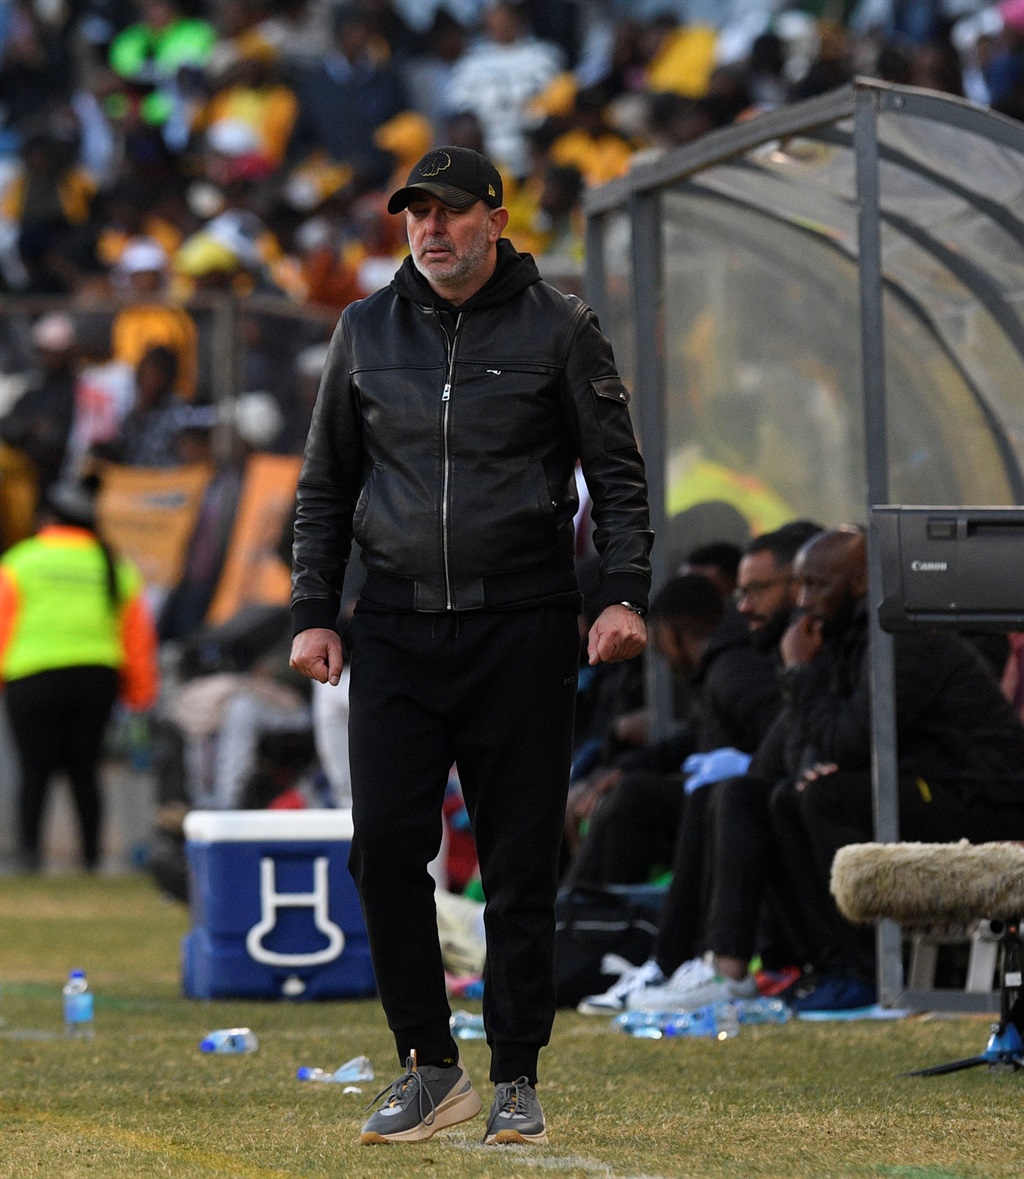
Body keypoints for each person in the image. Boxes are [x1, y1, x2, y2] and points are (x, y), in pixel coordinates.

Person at [289, 145, 652, 1146]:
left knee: (520, 862)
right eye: (416, 214)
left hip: (524, 622)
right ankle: (427, 1065)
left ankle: (516, 1076)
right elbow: (324, 485)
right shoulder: (364, 330)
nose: (431, 230)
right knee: (384, 853)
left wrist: (622, 593)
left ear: (496, 217)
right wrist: (313, 611)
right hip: (396, 625)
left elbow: (617, 476)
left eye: (451, 212)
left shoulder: (560, 326)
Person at [769, 527, 1024, 1011]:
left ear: (862, 582)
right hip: (929, 787)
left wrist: (800, 674)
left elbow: (851, 740)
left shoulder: (902, 641)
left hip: (986, 801)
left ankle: (871, 976)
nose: (804, 601)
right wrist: (809, 760)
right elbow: (801, 746)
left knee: (827, 798)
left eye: (818, 585)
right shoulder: (838, 639)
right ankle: (834, 966)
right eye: (800, 585)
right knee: (788, 797)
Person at [0, 478, 159, 871]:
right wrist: (139, 694)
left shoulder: (21, 560)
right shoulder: (113, 567)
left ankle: (29, 858)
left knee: (33, 772)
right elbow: (137, 637)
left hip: (30, 677)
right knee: (84, 772)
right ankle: (90, 859)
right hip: (95, 679)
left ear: (50, 518)